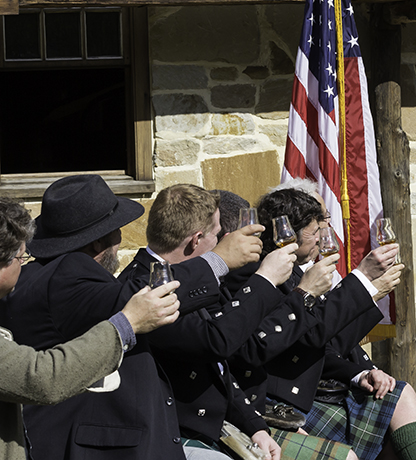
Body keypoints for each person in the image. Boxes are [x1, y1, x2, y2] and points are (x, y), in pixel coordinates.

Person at [120, 184, 389, 460]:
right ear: (196, 240)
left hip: (227, 419)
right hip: (179, 432)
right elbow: (223, 343)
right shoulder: (143, 286)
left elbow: (220, 371)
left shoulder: (184, 276)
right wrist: (266, 279)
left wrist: (255, 426)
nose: (224, 243)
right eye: (218, 236)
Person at [0, 174, 260, 460]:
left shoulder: (38, 276)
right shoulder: (68, 270)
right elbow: (134, 299)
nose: (120, 239)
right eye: (116, 231)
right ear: (99, 243)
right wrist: (219, 259)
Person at [240, 179, 416, 460]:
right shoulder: (265, 276)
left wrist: (362, 371)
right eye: (317, 228)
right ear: (289, 232)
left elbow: (329, 342)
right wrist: (363, 282)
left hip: (323, 388)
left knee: (411, 406)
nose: (323, 236)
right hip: (287, 400)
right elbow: (313, 339)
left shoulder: (297, 273)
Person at [0, 196, 181, 460]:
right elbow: (41, 377)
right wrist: (127, 323)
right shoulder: (67, 275)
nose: (24, 263)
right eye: (20, 256)